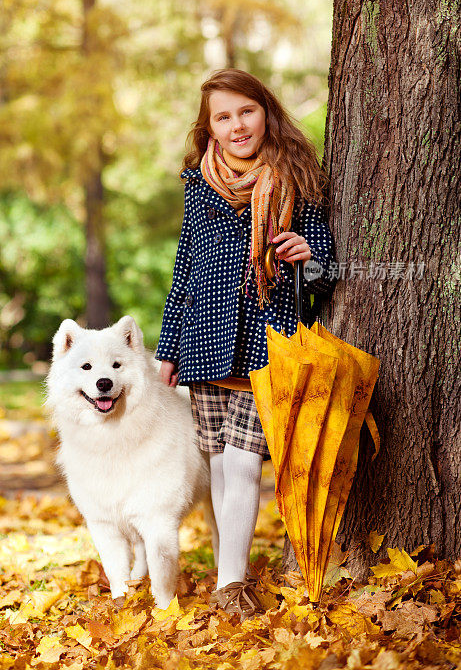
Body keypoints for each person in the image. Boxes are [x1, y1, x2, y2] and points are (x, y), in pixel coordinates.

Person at [155, 68, 336, 620]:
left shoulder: (297, 176)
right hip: (204, 340)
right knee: (216, 460)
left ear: (266, 111)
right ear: (209, 129)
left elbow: (326, 264)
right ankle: (224, 575)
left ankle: (231, 585)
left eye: (246, 112)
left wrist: (311, 257)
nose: (237, 126)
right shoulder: (199, 185)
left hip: (266, 339)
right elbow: (185, 267)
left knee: (244, 460)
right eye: (223, 117)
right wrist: (167, 346)